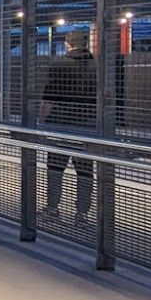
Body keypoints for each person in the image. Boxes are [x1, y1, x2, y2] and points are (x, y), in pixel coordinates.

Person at [39, 30, 97, 220]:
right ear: (86, 43)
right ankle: (82, 213)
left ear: (67, 44)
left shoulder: (59, 65)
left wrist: (42, 120)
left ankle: (53, 207)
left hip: (60, 124)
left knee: (55, 167)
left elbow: (49, 98)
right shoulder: (96, 66)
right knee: (85, 170)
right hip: (88, 125)